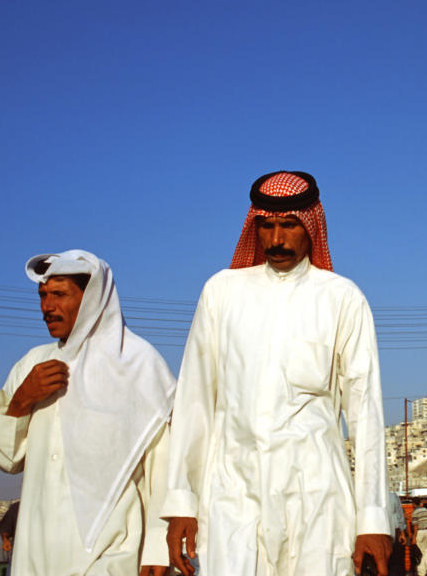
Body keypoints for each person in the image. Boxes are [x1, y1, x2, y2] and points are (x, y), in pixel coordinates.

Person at [163, 171, 391, 576]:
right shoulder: (222, 292)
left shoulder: (342, 298)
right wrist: (182, 500)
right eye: (266, 226)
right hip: (233, 493)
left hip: (316, 495)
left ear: (311, 226)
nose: (276, 240)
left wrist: (371, 520)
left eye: (289, 225)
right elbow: (194, 399)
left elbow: (365, 413)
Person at [0, 250, 176, 576]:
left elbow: (164, 466)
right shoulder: (32, 364)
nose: (47, 307)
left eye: (59, 294)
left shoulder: (139, 364)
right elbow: (8, 459)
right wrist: (22, 401)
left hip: (111, 556)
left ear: (91, 299)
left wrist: (157, 547)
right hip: (37, 554)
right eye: (43, 296)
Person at [410, 504, 427, 576]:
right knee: (426, 551)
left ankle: (421, 572)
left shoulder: (415, 512)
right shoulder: (426, 510)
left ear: (414, 504)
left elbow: (415, 526)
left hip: (419, 532)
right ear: (420, 503)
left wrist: (414, 537)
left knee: (419, 553)